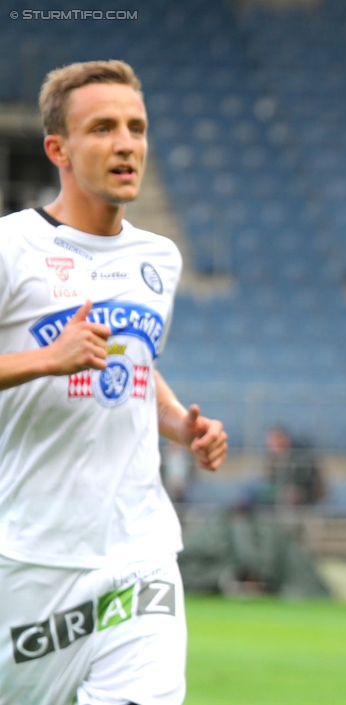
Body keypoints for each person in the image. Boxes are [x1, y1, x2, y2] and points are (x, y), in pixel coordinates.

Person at [0, 60, 227, 705]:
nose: (126, 143)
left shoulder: (160, 257)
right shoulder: (12, 248)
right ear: (58, 150)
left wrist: (179, 421)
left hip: (138, 549)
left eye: (137, 127)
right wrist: (47, 359)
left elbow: (134, 361)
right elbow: (70, 356)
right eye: (102, 128)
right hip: (28, 554)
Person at [260, 425, 326, 506]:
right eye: (271, 441)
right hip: (280, 502)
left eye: (277, 439)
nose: (274, 443)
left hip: (305, 501)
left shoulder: (300, 459)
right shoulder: (272, 461)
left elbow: (309, 486)